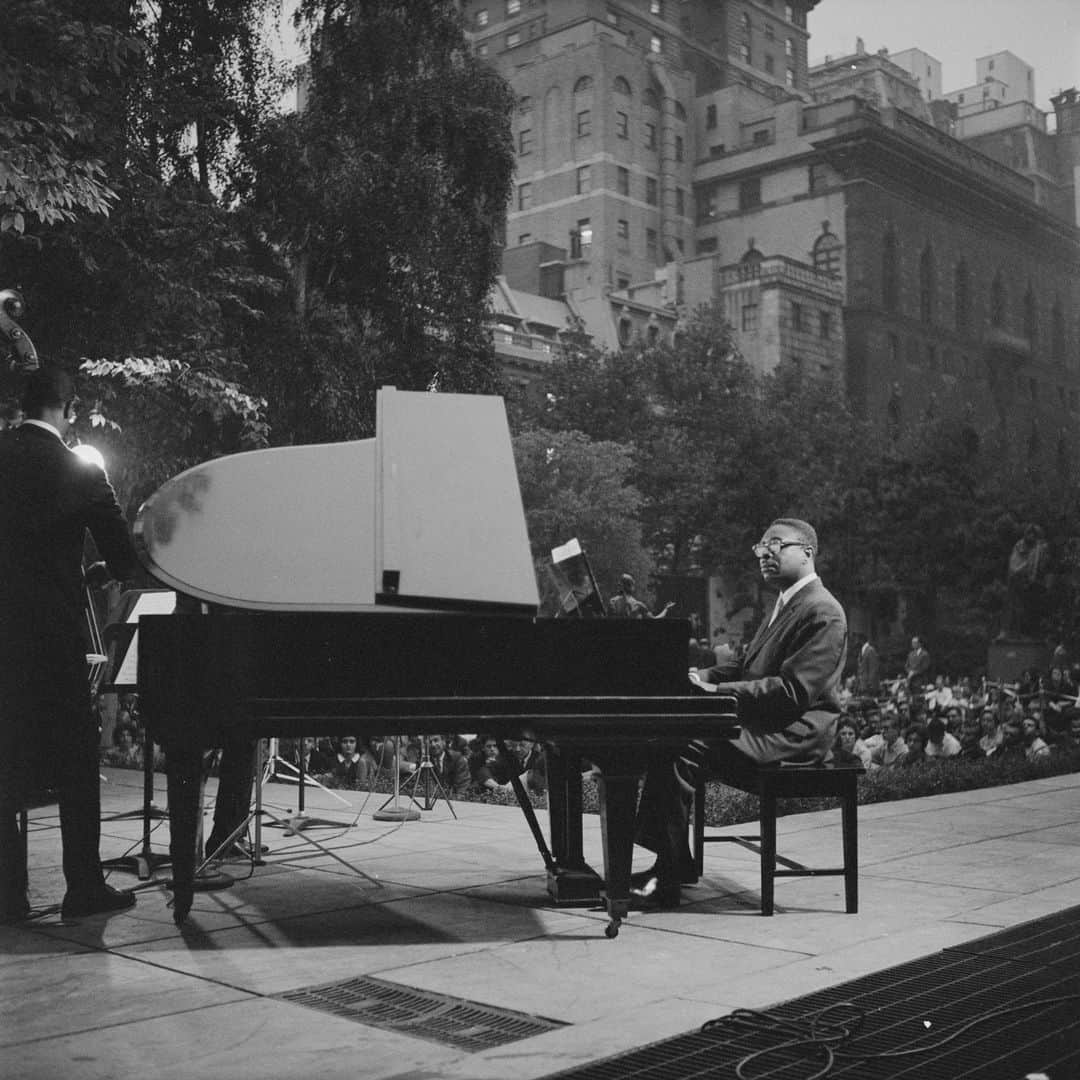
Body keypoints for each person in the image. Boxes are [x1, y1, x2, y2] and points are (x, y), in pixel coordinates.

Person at [633, 517, 847, 906]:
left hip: (795, 735)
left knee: (681, 746)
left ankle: (667, 878)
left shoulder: (823, 611)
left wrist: (716, 689)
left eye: (776, 545)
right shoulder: (786, 604)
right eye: (760, 547)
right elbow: (748, 667)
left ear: (807, 552)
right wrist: (700, 675)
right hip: (769, 724)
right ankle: (673, 863)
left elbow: (792, 691)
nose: (764, 553)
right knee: (671, 739)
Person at [0, 367, 140, 922]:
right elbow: (124, 557)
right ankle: (82, 886)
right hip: (53, 637)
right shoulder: (81, 471)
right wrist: (99, 568)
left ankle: (7, 896)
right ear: (68, 409)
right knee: (78, 759)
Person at [607, 574, 674, 619]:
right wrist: (666, 609)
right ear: (631, 587)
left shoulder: (612, 602)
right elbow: (655, 620)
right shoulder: (638, 605)